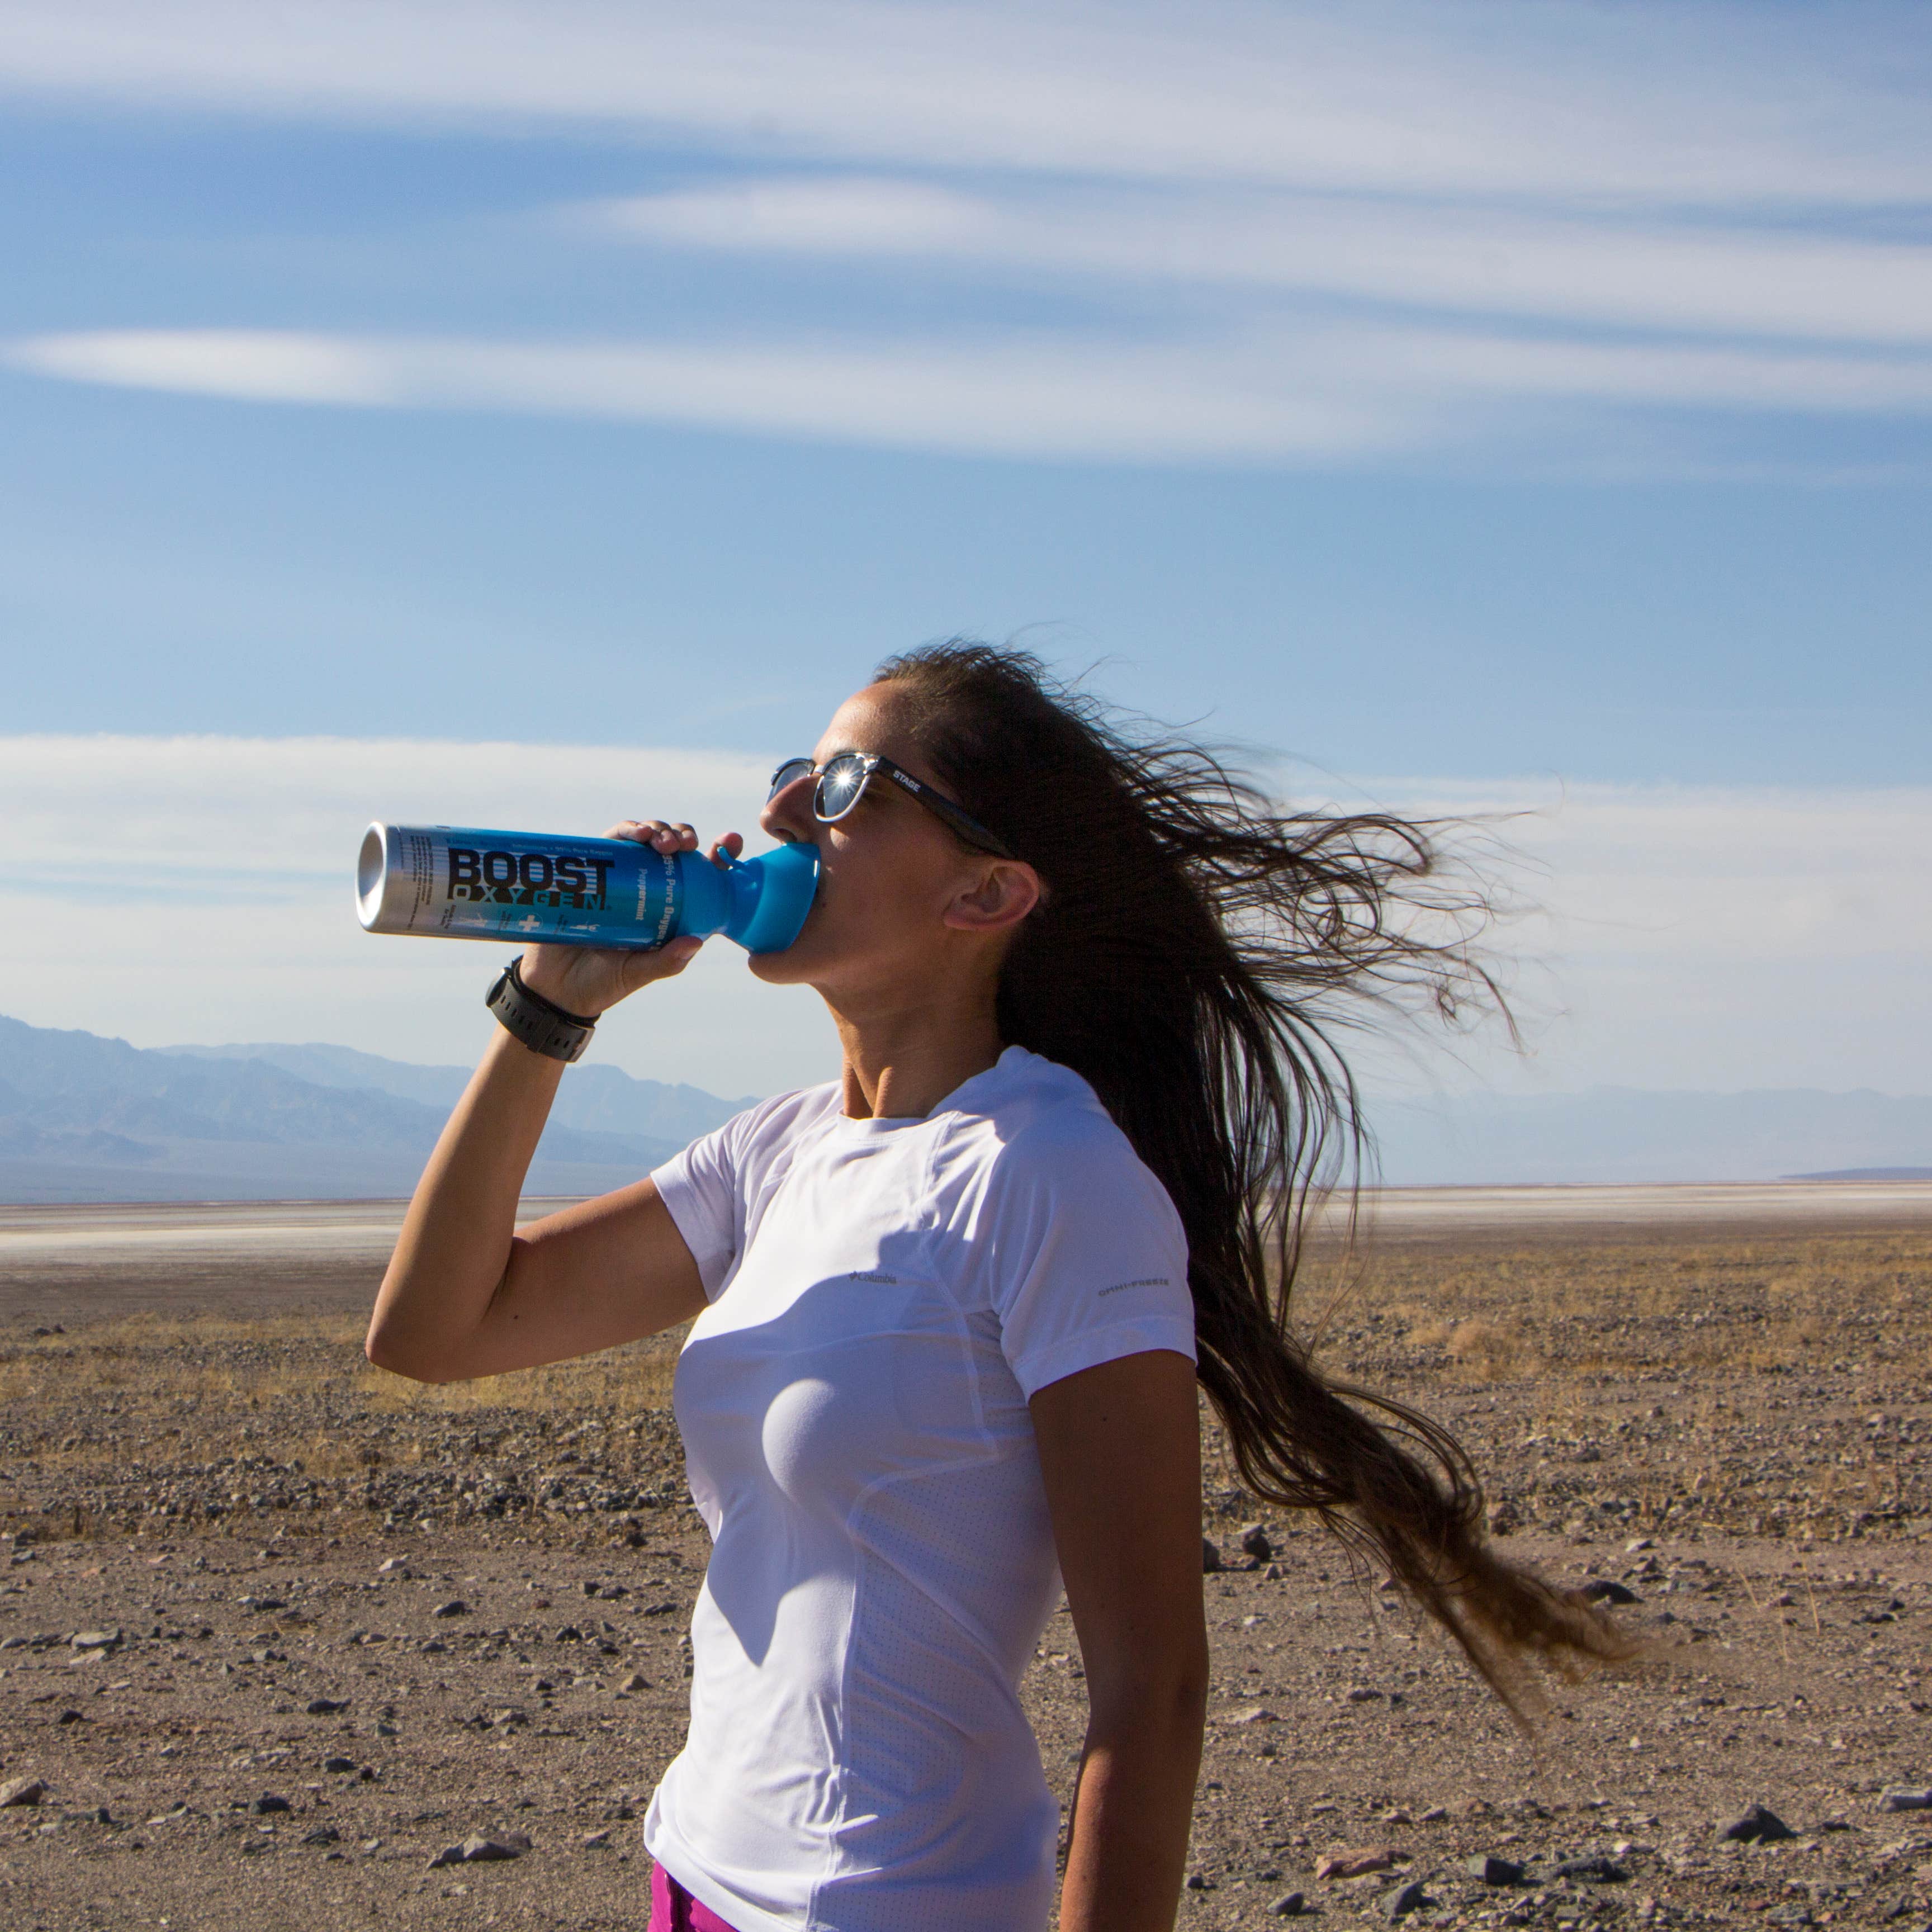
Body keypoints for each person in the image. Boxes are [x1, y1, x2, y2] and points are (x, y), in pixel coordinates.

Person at [367, 642, 1623, 1932]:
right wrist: (547, 1007)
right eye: (798, 774)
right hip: (693, 1879)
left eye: (849, 787)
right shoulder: (775, 1152)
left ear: (986, 893)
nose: (784, 815)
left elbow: (1154, 1684)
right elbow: (434, 1330)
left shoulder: (1049, 1174)